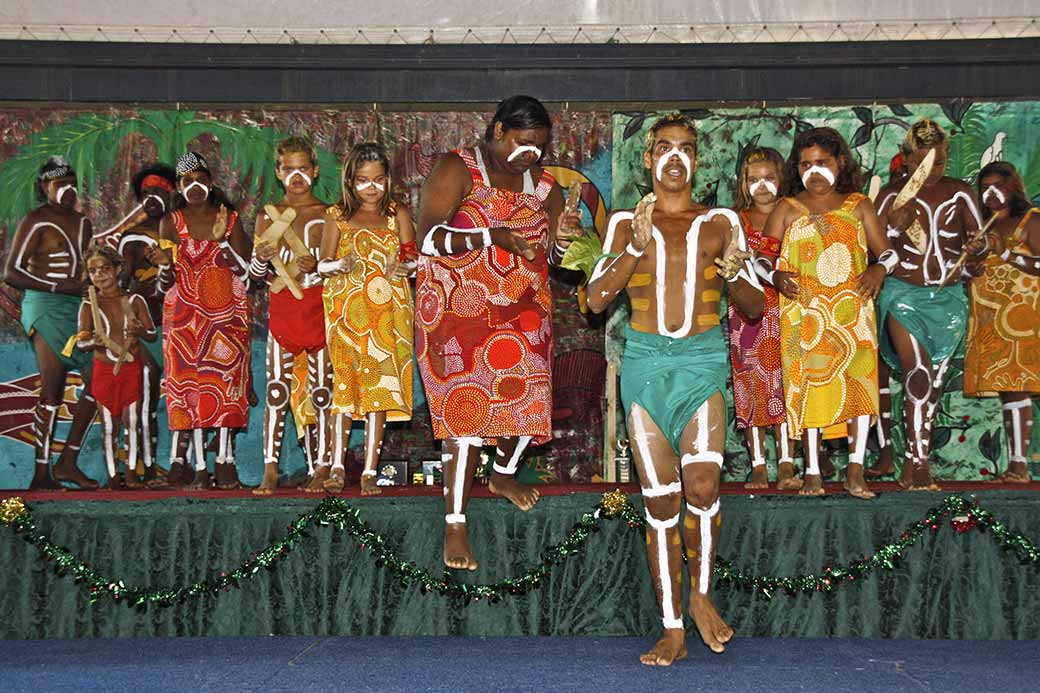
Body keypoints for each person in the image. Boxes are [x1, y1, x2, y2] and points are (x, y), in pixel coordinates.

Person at [587, 113, 762, 663]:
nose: (674, 158)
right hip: (643, 367)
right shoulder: (623, 223)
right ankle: (673, 628)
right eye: (663, 148)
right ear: (647, 158)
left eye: (686, 149)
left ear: (697, 160)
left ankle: (702, 596)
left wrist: (735, 271)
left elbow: (755, 307)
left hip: (701, 361)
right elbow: (592, 300)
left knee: (704, 486)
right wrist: (635, 247)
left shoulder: (721, 220)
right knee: (660, 504)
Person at [414, 95, 581, 570]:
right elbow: (427, 237)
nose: (531, 153)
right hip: (456, 315)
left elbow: (553, 259)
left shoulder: (548, 188)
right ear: (497, 130)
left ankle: (503, 475)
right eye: (523, 142)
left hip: (523, 313)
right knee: (466, 413)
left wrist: (565, 239)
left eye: (540, 146)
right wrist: (492, 236)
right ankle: (455, 523)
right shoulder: (457, 168)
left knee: (530, 400)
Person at [759, 127, 897, 499]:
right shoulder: (787, 208)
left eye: (822, 162)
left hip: (853, 313)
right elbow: (760, 258)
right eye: (805, 164)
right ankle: (813, 472)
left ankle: (855, 471)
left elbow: (889, 253)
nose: (813, 171)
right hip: (805, 315)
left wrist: (877, 269)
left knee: (858, 387)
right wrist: (774, 274)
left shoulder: (859, 205)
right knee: (811, 387)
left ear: (841, 162)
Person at [871, 119, 983, 490]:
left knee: (932, 384)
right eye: (923, 162)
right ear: (906, 159)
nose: (933, 170)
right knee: (916, 371)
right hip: (903, 295)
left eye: (939, 161)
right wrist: (892, 230)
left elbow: (978, 243)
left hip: (947, 298)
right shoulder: (890, 196)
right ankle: (918, 466)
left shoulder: (961, 192)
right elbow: (870, 250)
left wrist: (976, 252)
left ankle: (915, 460)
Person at [318, 142, 416, 495]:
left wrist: (403, 265)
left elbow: (414, 260)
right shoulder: (337, 217)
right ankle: (337, 467)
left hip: (388, 317)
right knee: (344, 389)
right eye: (362, 181)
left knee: (379, 391)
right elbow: (321, 264)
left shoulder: (398, 215)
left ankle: (370, 471)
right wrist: (338, 265)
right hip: (346, 314)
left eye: (377, 180)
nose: (371, 187)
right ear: (350, 181)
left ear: (388, 180)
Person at [153, 152, 252, 489]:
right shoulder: (170, 223)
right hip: (184, 320)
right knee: (189, 389)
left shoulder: (231, 219)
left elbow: (249, 274)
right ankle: (197, 465)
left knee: (224, 385)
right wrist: (164, 268)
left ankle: (225, 460)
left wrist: (223, 238)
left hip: (227, 315)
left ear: (211, 183)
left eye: (200, 179)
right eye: (186, 181)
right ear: (179, 188)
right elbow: (164, 280)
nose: (194, 186)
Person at [4, 156, 99, 490]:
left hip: (78, 308)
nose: (68, 189)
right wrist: (59, 286)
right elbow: (11, 272)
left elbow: (88, 268)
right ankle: (42, 472)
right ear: (44, 187)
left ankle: (67, 462)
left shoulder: (84, 222)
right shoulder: (35, 220)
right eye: (60, 184)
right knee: (53, 386)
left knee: (98, 379)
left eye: (72, 183)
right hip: (45, 305)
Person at [250, 137, 332, 495]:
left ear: (314, 171)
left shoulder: (328, 214)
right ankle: (270, 469)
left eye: (303, 168)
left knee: (322, 392)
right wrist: (261, 257)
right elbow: (255, 276)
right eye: (289, 169)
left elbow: (337, 268)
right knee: (277, 390)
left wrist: (319, 267)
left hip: (318, 308)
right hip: (283, 309)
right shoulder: (267, 217)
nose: (296, 176)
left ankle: (323, 466)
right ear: (279, 173)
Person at [964, 162, 1040, 482]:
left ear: (1014, 188)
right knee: (1008, 390)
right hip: (991, 319)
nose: (992, 193)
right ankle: (1015, 466)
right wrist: (972, 267)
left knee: (1018, 385)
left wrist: (1005, 254)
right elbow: (967, 269)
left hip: (1024, 317)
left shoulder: (1031, 219)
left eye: (999, 186)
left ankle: (1020, 466)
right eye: (985, 187)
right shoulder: (982, 225)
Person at [727, 147, 796, 490]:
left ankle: (786, 462)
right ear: (743, 184)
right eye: (753, 180)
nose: (762, 186)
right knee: (749, 382)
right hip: (747, 310)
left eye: (769, 178)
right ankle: (758, 464)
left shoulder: (794, 214)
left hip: (788, 306)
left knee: (784, 383)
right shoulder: (736, 220)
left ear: (782, 178)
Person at [114, 163, 177, 486]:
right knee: (146, 398)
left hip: (181, 324)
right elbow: (123, 279)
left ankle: (172, 464)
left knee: (177, 398)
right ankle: (143, 465)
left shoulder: (183, 230)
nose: (151, 199)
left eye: (159, 192)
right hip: (147, 323)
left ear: (172, 194)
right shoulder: (133, 237)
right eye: (146, 194)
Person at [76, 245, 156, 487]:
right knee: (109, 427)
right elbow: (81, 343)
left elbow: (151, 334)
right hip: (104, 370)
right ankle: (113, 476)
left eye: (105, 269)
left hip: (131, 369)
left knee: (132, 422)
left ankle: (131, 473)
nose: (99, 275)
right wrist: (94, 342)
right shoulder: (89, 305)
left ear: (118, 269)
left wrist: (139, 330)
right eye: (93, 271)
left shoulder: (134, 300)